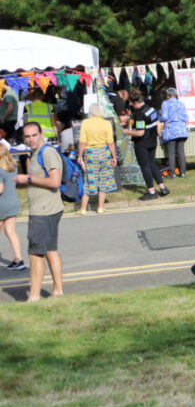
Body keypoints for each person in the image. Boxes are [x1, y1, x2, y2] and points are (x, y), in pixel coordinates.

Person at [15, 122, 64, 300]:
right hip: (47, 208)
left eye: (34, 135)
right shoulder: (35, 153)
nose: (31, 139)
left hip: (44, 210)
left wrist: (27, 178)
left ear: (41, 134)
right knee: (50, 250)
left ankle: (34, 296)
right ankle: (58, 292)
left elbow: (55, 181)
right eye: (27, 137)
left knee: (35, 253)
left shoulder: (47, 152)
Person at [122, 89, 169, 201]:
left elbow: (140, 132)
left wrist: (126, 131)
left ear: (134, 102)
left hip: (142, 143)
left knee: (145, 167)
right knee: (152, 163)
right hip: (153, 141)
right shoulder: (151, 109)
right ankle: (163, 187)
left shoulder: (140, 115)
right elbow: (149, 119)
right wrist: (129, 117)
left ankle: (151, 191)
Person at [76, 103, 118, 215]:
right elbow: (110, 142)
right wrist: (114, 156)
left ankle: (83, 208)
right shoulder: (106, 123)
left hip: (90, 153)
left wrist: (79, 155)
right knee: (103, 179)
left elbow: (82, 141)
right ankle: (100, 207)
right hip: (104, 152)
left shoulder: (85, 123)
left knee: (89, 179)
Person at [0, 143, 25, 270]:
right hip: (13, 202)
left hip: (2, 204)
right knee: (11, 232)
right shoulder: (12, 167)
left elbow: (0, 189)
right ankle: (18, 259)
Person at [159, 87, 189, 179]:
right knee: (181, 152)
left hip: (170, 130)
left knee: (171, 153)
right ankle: (182, 172)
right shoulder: (181, 104)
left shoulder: (165, 103)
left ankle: (172, 173)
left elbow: (164, 116)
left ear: (168, 95)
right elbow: (186, 118)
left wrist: (159, 118)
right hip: (182, 130)